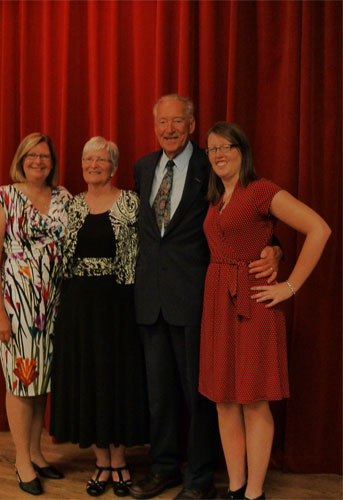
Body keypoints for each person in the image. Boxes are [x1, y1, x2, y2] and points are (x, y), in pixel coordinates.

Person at [130, 94, 282, 500]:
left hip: (202, 299)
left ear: (192, 124)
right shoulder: (143, 168)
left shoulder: (212, 163)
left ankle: (199, 479)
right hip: (151, 299)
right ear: (155, 125)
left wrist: (275, 249)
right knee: (159, 394)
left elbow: (252, 214)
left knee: (202, 396)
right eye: (162, 122)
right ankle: (163, 468)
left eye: (177, 121)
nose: (169, 129)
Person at [199, 121, 331, 500]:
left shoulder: (261, 191)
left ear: (243, 151)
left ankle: (254, 493)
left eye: (227, 147)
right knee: (224, 401)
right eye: (212, 149)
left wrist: (290, 286)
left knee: (254, 401)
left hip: (254, 305)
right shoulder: (215, 199)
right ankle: (236, 488)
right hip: (218, 303)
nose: (219, 154)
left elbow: (318, 229)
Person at [50, 136, 148, 498]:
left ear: (113, 166)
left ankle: (120, 461)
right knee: (87, 377)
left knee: (117, 377)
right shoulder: (70, 205)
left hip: (120, 303)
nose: (93, 165)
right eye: (87, 159)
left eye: (100, 160)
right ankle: (101, 461)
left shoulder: (132, 203)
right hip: (78, 305)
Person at [0, 132, 71, 496]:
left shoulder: (64, 196)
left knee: (41, 382)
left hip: (57, 305)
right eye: (32, 155)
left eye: (45, 156)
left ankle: (37, 452)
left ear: (52, 161)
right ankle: (21, 459)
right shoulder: (4, 197)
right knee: (21, 380)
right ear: (21, 158)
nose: (39, 161)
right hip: (18, 305)